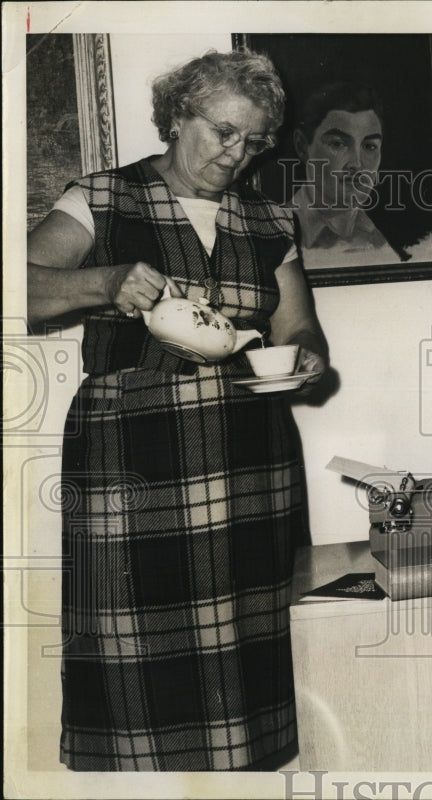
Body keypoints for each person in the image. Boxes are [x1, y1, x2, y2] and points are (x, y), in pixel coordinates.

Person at [27, 49, 328, 771]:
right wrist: (102, 281)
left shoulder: (266, 219)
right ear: (178, 115)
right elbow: (19, 286)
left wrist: (308, 358)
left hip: (250, 457)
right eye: (225, 131)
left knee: (244, 658)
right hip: (133, 460)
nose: (237, 154)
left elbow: (296, 327)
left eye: (255, 142)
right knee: (134, 654)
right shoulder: (101, 198)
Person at [289, 81, 409, 268]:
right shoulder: (275, 233)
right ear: (303, 147)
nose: (356, 164)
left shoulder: (381, 245)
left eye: (369, 147)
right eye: (338, 144)